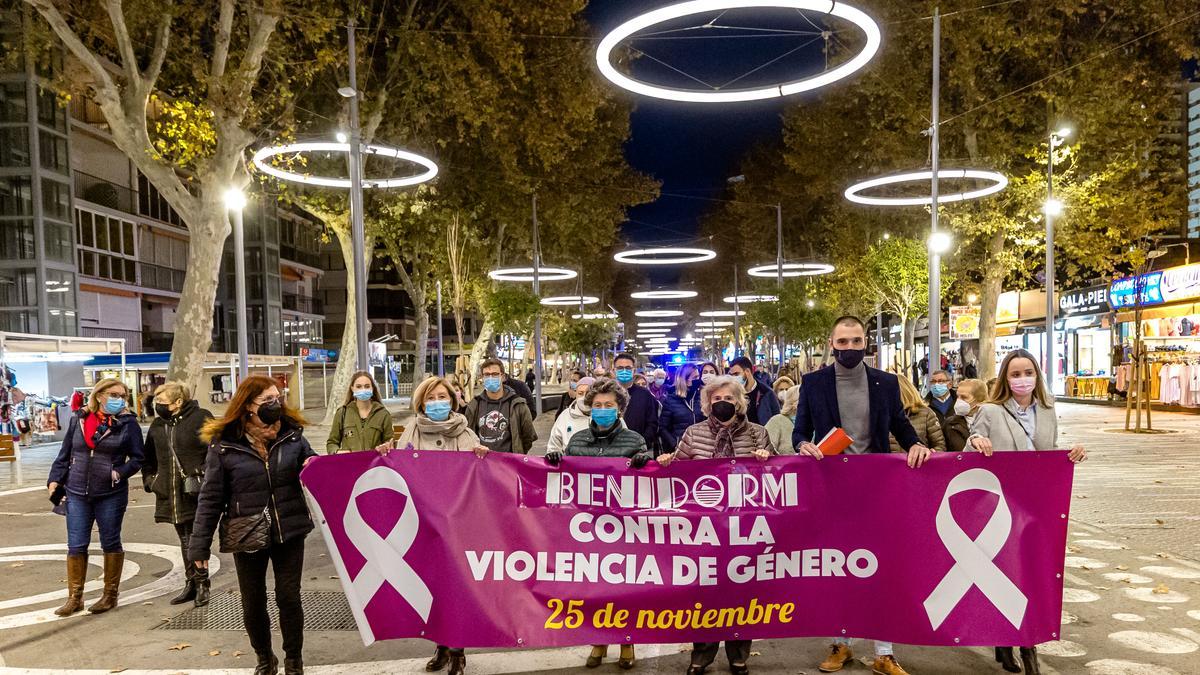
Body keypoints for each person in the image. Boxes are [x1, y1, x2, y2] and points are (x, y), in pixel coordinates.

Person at [792, 316, 929, 675]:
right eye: (843, 342)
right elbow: (800, 429)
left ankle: (884, 652)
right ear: (831, 343)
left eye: (856, 341)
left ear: (866, 343)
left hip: (879, 488)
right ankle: (842, 644)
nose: (850, 348)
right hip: (833, 488)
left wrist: (916, 443)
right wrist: (803, 445)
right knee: (841, 567)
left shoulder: (886, 382)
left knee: (881, 567)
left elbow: (899, 423)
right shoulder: (814, 383)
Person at [967, 349, 1086, 674]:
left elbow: (1046, 453)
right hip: (998, 508)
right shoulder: (990, 411)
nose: (1023, 380)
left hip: (1036, 508)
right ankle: (1010, 643)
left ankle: (1023, 644)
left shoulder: (1047, 409)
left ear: (1038, 375)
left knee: (1031, 576)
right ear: (1005, 378)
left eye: (1028, 372)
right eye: (1015, 374)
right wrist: (977, 442)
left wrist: (1070, 453)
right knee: (1005, 576)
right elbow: (969, 446)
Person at [191, 376, 317, 675]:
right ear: (248, 405)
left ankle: (293, 660)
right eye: (268, 400)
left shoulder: (292, 434)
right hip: (245, 531)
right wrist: (199, 546)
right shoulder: (224, 445)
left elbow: (310, 461)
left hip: (290, 527)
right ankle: (264, 657)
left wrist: (312, 462)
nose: (276, 404)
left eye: (278, 397)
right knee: (253, 601)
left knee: (288, 596)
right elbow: (210, 498)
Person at [657, 375, 771, 675]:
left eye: (729, 399)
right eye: (717, 399)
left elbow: (779, 479)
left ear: (740, 403)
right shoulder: (693, 434)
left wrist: (767, 460)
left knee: (744, 592)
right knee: (704, 593)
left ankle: (738, 655)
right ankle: (701, 655)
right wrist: (668, 463)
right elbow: (677, 472)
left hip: (746, 527)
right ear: (707, 404)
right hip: (703, 530)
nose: (723, 403)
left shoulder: (758, 435)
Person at [547, 377, 651, 670]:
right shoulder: (577, 441)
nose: (602, 409)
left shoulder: (634, 440)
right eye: (597, 405)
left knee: (624, 587)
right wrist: (557, 460)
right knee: (594, 588)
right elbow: (564, 482)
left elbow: (647, 485)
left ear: (620, 409)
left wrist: (646, 462)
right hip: (586, 527)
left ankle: (627, 642)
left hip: (624, 528)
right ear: (589, 408)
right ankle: (598, 640)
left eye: (609, 405)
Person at [398, 377, 487, 675]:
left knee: (458, 588)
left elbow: (479, 479)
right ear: (422, 403)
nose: (438, 402)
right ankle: (440, 644)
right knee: (433, 587)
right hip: (425, 522)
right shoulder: (411, 431)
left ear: (453, 400)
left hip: (459, 523)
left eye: (443, 396)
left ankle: (458, 650)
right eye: (432, 397)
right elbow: (401, 470)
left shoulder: (466, 433)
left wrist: (482, 458)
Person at [47, 377, 145, 616]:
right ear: (99, 395)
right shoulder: (79, 419)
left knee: (110, 541)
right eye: (114, 395)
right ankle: (75, 598)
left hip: (110, 493)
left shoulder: (127, 423)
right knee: (76, 544)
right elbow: (65, 452)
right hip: (77, 491)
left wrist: (118, 473)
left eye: (123, 395)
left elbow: (138, 458)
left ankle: (110, 595)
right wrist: (54, 479)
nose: (119, 400)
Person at [142, 382, 214, 607]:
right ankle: (192, 582)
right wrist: (151, 481)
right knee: (184, 537)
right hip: (170, 492)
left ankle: (201, 583)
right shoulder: (157, 425)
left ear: (178, 402)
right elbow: (149, 458)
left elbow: (216, 450)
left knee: (193, 537)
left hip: (194, 490)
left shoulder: (201, 417)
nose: (157, 406)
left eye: (161, 402)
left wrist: (203, 473)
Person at [465, 358, 537, 454]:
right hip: (482, 463)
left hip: (509, 464)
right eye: (487, 374)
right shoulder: (474, 405)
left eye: (495, 374)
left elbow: (528, 437)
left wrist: (517, 452)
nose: (490, 377)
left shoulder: (518, 405)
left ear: (502, 377)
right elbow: (468, 436)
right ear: (482, 378)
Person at [325, 371, 393, 454]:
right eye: (359, 387)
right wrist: (337, 451)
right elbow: (332, 443)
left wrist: (386, 447)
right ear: (352, 388)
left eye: (367, 386)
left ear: (372, 388)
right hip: (350, 464)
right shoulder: (342, 413)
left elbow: (390, 443)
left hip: (374, 464)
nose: (363, 390)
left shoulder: (383, 414)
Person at [612, 353, 660, 451]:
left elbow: (652, 423)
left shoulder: (645, 394)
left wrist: (642, 443)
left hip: (638, 449)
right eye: (620, 368)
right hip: (611, 449)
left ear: (634, 370)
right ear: (614, 371)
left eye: (628, 368)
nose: (624, 371)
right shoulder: (607, 393)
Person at [548, 377, 608, 454]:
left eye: (588, 393)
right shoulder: (565, 416)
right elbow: (554, 444)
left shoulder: (608, 415)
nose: (584, 397)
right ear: (576, 394)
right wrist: (554, 453)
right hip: (570, 465)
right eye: (580, 393)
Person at [890, 376, 947, 452]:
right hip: (889, 463)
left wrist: (930, 454)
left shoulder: (926, 413)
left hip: (919, 463)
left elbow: (940, 445)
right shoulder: (882, 414)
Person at [658, 364, 704, 452]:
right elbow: (663, 428)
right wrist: (675, 444)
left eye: (698, 377)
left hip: (700, 448)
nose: (698, 380)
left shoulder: (701, 398)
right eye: (695, 378)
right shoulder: (670, 400)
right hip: (679, 449)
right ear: (685, 380)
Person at [727, 356, 780, 426]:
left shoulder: (766, 393)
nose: (733, 378)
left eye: (736, 374)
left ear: (747, 372)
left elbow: (776, 419)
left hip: (761, 435)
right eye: (731, 375)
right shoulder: (730, 393)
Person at [944, 378, 987, 452]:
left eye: (964, 397)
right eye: (958, 396)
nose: (959, 401)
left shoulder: (992, 422)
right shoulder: (950, 423)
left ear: (980, 401)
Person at [765, 385, 801, 454]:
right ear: (794, 403)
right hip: (782, 464)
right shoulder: (777, 421)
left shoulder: (815, 422)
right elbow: (767, 449)